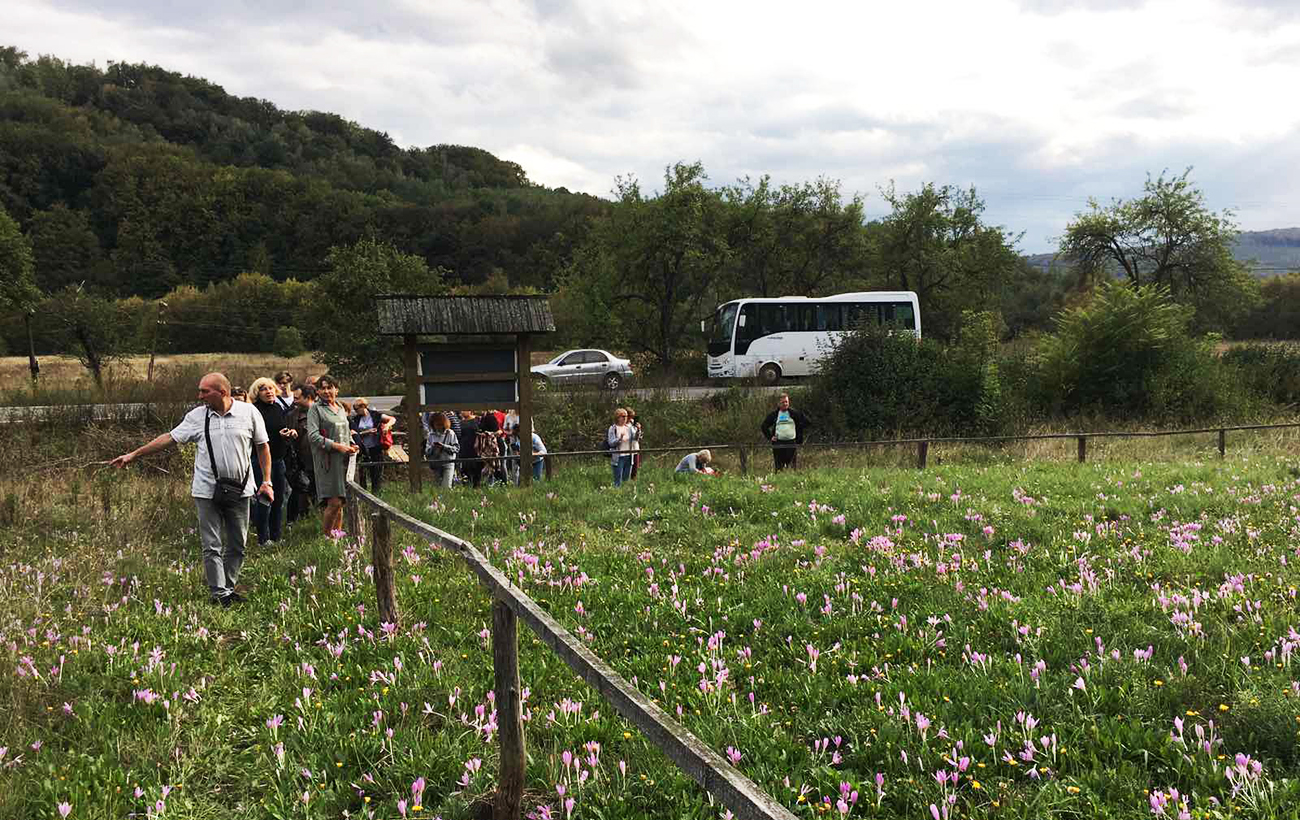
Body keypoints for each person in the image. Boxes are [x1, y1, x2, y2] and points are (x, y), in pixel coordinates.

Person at [108, 373, 272, 607]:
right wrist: (134, 455)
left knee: (238, 543)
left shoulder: (249, 413)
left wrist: (267, 481)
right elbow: (169, 438)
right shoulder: (197, 417)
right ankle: (219, 594)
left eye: (205, 391)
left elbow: (262, 447)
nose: (200, 396)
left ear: (222, 392)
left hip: (241, 490)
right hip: (207, 491)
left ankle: (227, 586)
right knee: (212, 544)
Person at [307, 375, 359, 534]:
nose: (326, 391)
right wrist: (337, 446)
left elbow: (345, 429)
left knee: (341, 501)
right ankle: (327, 539)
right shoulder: (315, 409)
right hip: (328, 461)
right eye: (322, 388)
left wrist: (351, 443)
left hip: (344, 460)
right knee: (334, 501)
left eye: (329, 387)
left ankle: (337, 537)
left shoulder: (340, 407)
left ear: (336, 389)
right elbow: (313, 436)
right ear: (317, 391)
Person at [249, 376, 292, 545]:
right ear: (257, 393)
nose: (269, 391)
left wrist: (290, 434)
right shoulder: (254, 410)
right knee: (264, 499)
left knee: (279, 499)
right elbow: (257, 438)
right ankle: (263, 538)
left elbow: (279, 429)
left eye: (271, 388)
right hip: (260, 462)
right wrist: (276, 435)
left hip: (279, 460)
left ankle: (276, 536)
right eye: (263, 389)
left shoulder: (277, 408)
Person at [284, 384, 317, 525]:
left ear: (308, 398)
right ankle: (296, 521)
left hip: (321, 462)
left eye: (297, 398)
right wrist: (289, 435)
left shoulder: (323, 412)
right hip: (299, 464)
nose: (294, 401)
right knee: (298, 493)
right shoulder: (291, 416)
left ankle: (316, 521)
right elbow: (285, 437)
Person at [349, 398, 395, 493]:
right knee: (362, 474)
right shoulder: (356, 419)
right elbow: (354, 433)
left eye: (356, 408)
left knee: (376, 473)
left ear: (363, 406)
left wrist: (387, 426)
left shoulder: (375, 415)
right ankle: (363, 493)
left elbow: (392, 419)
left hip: (376, 447)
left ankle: (376, 493)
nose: (356, 411)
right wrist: (367, 432)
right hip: (363, 448)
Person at [761, 393, 812, 472]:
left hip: (791, 443)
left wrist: (798, 428)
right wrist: (770, 437)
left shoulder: (794, 413)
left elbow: (808, 422)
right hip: (778, 443)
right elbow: (764, 426)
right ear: (779, 403)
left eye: (786, 402)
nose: (785, 404)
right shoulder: (774, 414)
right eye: (783, 402)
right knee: (779, 468)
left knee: (792, 468)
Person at [426, 412, 460, 488]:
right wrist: (433, 448)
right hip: (436, 463)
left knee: (446, 487)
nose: (438, 427)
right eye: (436, 424)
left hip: (448, 463)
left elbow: (456, 448)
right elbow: (427, 452)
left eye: (440, 424)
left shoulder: (450, 433)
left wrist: (444, 447)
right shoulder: (431, 435)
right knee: (437, 487)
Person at [607, 408, 637, 487]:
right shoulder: (613, 428)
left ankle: (625, 495)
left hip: (629, 456)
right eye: (623, 416)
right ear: (617, 417)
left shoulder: (629, 428)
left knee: (626, 479)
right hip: (618, 457)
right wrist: (619, 439)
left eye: (626, 416)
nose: (625, 418)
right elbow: (611, 442)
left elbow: (635, 438)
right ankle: (616, 494)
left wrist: (639, 430)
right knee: (618, 480)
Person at [457, 410, 480, 486]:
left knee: (476, 465)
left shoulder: (477, 420)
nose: (463, 412)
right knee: (465, 465)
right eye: (462, 410)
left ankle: (476, 484)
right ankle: (466, 483)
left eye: (465, 410)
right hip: (464, 445)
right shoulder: (460, 422)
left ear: (470, 411)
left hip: (475, 445)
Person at [627, 407, 644, 480]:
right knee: (628, 469)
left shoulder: (633, 424)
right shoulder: (624, 425)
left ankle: (633, 483)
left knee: (635, 468)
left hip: (635, 448)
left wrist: (639, 429)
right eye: (630, 416)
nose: (631, 418)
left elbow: (637, 438)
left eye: (632, 417)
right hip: (627, 449)